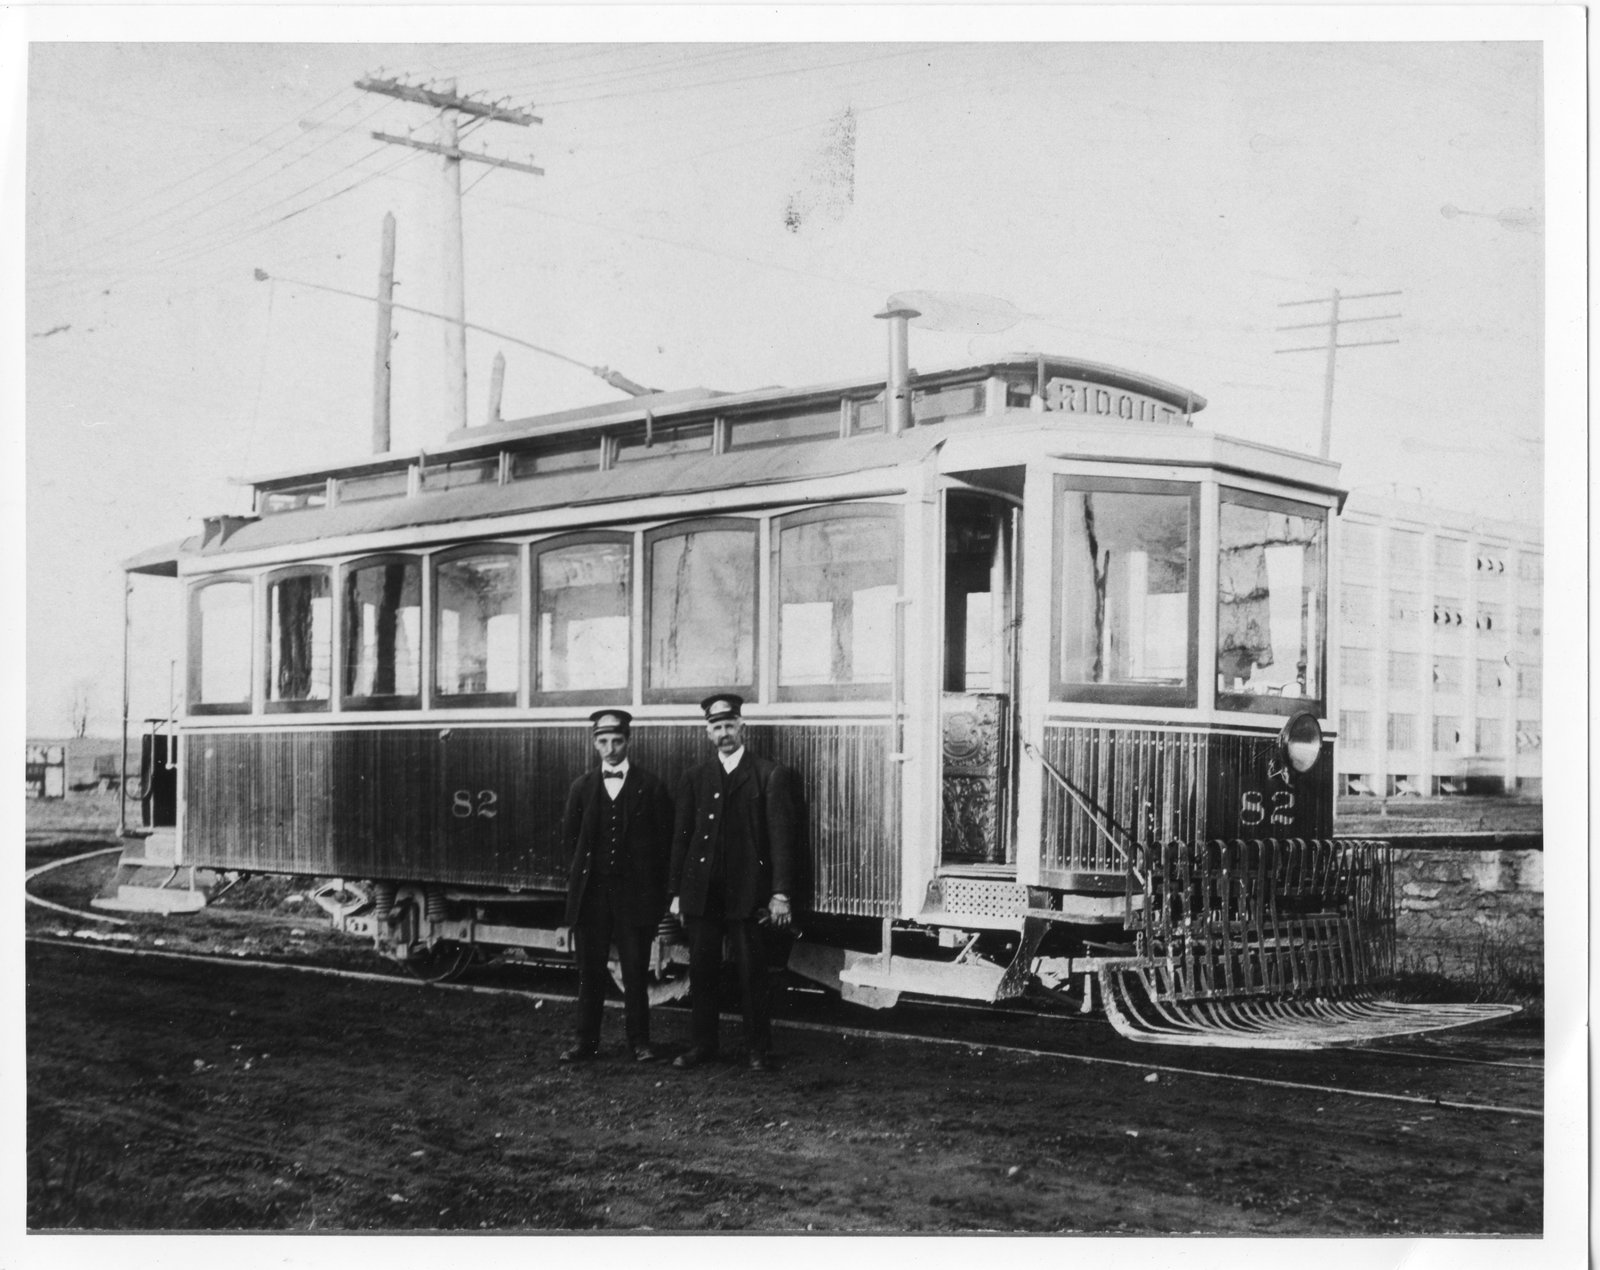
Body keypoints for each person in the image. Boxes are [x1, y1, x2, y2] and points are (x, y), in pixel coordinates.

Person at [669, 693, 802, 1072]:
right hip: (702, 894)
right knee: (703, 972)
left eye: (730, 725)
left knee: (751, 975)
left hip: (747, 897)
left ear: (742, 726)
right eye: (716, 727)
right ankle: (702, 1046)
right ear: (708, 732)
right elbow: (682, 839)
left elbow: (781, 841)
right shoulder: (694, 778)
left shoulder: (767, 774)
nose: (724, 733)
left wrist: (780, 894)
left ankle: (758, 1050)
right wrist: (676, 893)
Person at [559, 709, 674, 1064]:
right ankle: (585, 1043)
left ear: (628, 741)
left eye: (617, 741)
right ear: (595, 743)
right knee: (590, 972)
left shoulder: (650, 786)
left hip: (633, 898)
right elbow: (571, 841)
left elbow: (664, 843)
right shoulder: (581, 787)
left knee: (636, 973)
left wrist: (655, 897)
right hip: (592, 897)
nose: (610, 748)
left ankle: (639, 1043)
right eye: (603, 741)